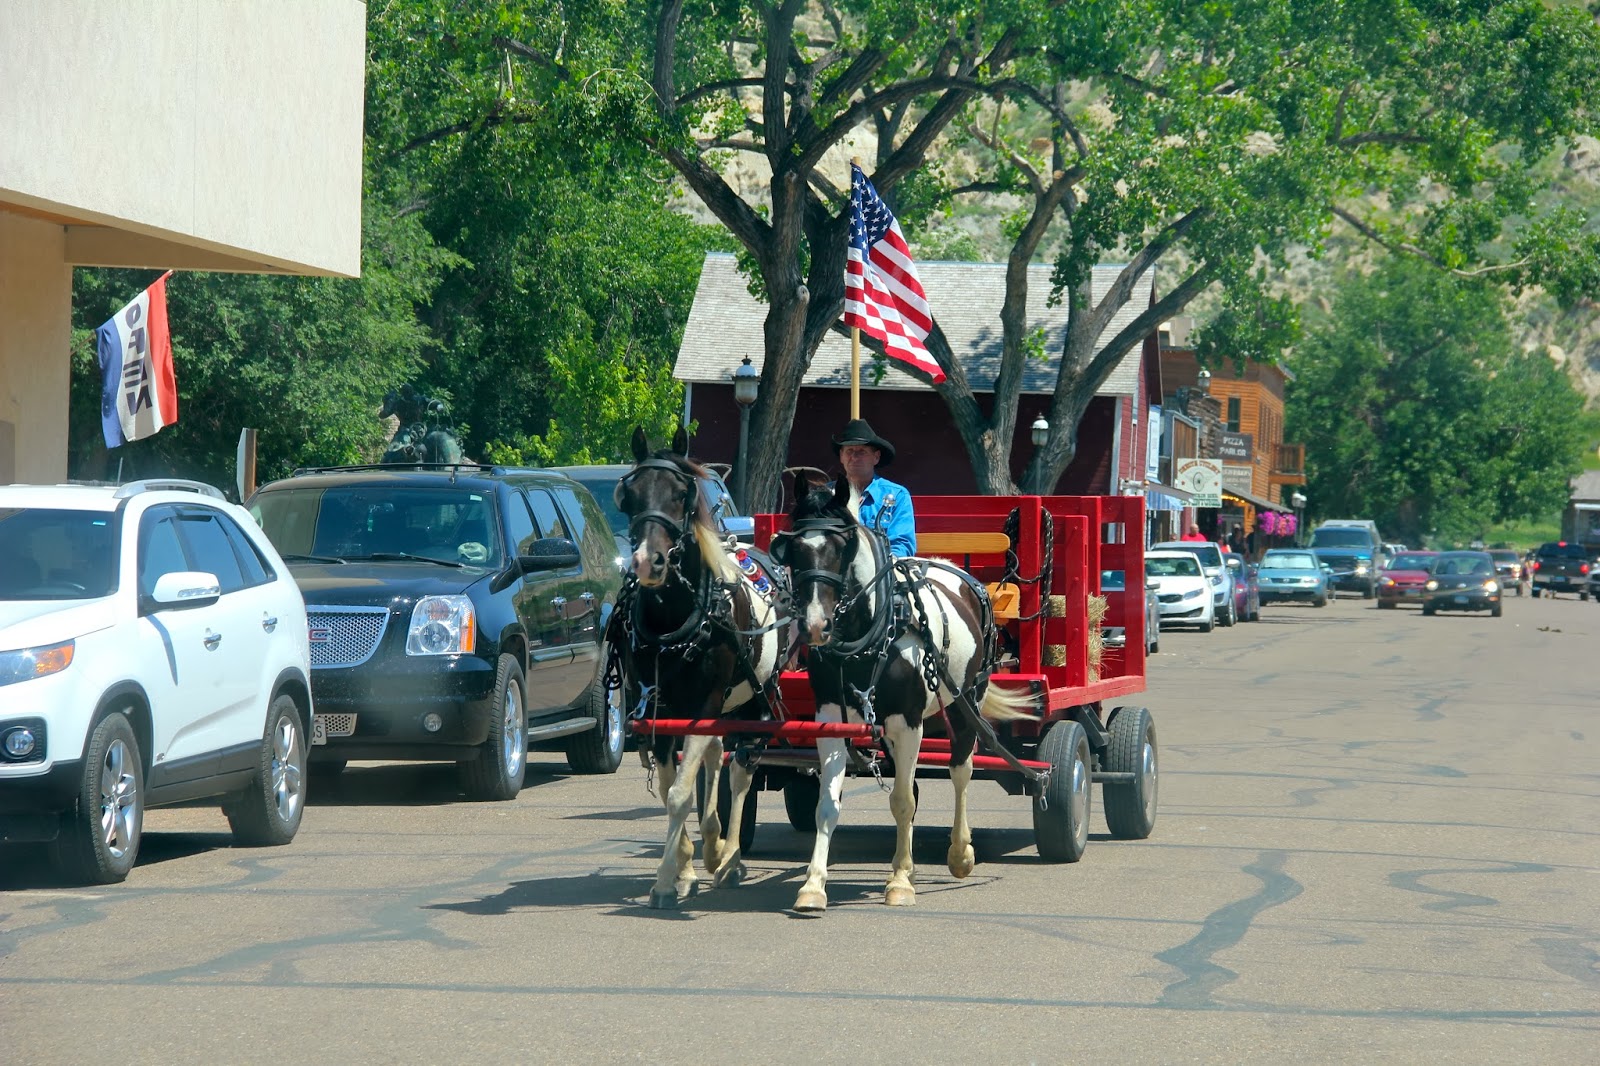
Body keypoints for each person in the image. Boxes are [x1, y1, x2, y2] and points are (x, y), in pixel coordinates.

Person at [832, 418, 916, 556]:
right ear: (841, 456)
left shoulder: (897, 495)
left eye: (862, 451)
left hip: (882, 567)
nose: (854, 457)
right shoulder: (827, 495)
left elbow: (902, 545)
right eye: (849, 451)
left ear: (876, 457)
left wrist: (880, 566)